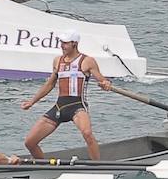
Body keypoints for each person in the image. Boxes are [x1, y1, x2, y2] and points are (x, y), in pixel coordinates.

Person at [21, 30, 112, 159]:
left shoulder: (87, 61)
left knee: (87, 133)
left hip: (78, 106)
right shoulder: (57, 61)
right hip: (59, 107)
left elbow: (102, 80)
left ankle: (97, 168)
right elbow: (49, 84)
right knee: (30, 142)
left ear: (74, 44)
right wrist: (32, 102)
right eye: (61, 42)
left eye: (65, 43)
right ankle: (44, 169)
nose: (62, 46)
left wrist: (106, 83)